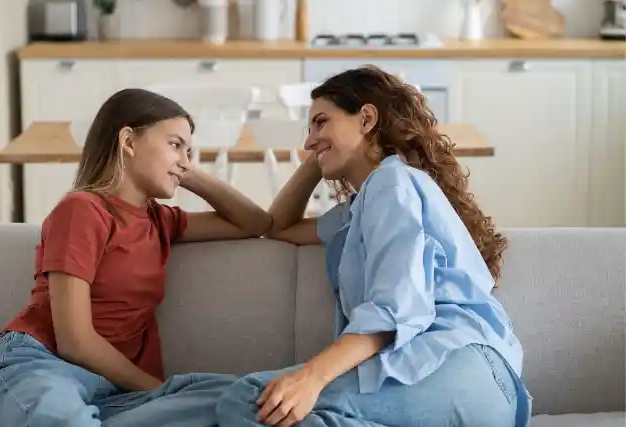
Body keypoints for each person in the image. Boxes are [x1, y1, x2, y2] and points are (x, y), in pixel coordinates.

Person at [215, 65, 532, 427]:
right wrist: (321, 153)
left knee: (251, 399)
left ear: (366, 118)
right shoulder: (364, 206)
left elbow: (394, 308)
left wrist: (313, 377)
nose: (308, 140)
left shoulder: (390, 184)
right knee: (294, 414)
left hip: (452, 364)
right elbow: (279, 225)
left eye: (321, 122)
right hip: (475, 384)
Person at [0, 88, 272, 427]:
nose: (184, 158)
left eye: (189, 150)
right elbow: (75, 342)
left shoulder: (160, 221)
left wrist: (189, 172)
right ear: (128, 141)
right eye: (175, 144)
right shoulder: (82, 210)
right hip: (46, 365)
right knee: (64, 419)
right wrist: (162, 391)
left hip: (117, 393)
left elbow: (256, 222)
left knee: (243, 399)